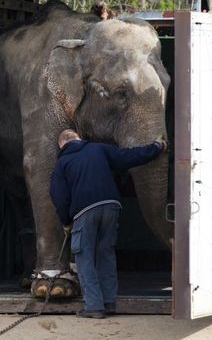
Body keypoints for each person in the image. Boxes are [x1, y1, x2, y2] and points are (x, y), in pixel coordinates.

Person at [49, 129, 167, 319]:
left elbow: (59, 196)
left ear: (62, 144)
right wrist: (156, 147)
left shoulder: (62, 163)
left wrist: (65, 221)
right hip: (111, 206)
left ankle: (94, 306)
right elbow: (130, 156)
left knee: (84, 257)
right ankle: (109, 301)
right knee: (106, 254)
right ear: (79, 139)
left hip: (84, 211)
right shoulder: (99, 149)